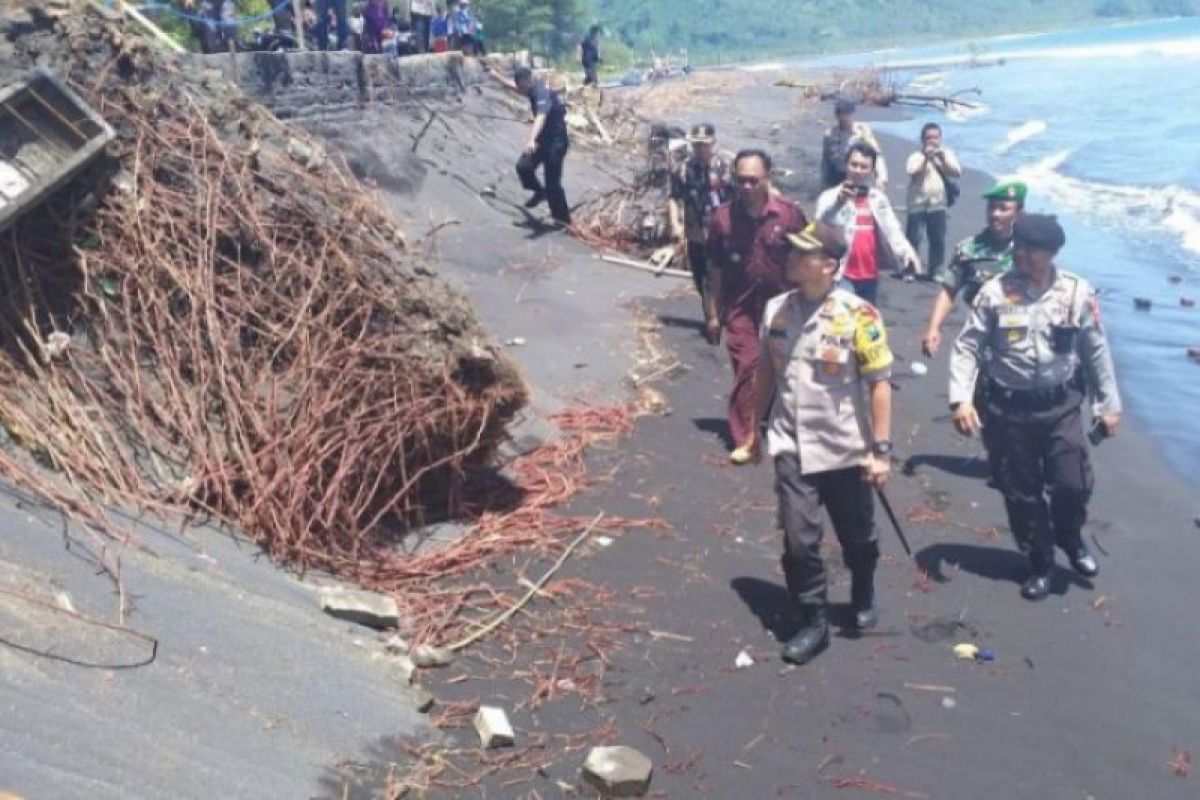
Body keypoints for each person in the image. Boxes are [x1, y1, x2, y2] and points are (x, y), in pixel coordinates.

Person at [948, 214, 1121, 601]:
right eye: (1019, 247)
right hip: (1008, 411)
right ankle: (1040, 562)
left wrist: (1107, 404)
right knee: (1021, 493)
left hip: (1060, 406)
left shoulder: (1077, 293)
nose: (1023, 256)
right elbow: (967, 346)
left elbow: (1095, 350)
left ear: (1053, 253)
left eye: (1033, 250)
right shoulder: (995, 292)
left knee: (1072, 483)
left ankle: (1070, 537)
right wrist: (960, 398)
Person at [748, 222, 894, 665]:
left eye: (802, 253)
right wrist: (755, 427)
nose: (790, 258)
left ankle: (863, 585)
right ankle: (813, 620)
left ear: (829, 265)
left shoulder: (859, 315)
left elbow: (880, 384)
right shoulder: (776, 309)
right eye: (791, 251)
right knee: (799, 538)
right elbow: (766, 372)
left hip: (846, 447)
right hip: (792, 441)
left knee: (857, 536)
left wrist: (881, 451)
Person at [705, 149, 807, 465]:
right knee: (747, 369)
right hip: (741, 309)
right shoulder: (722, 219)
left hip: (782, 308)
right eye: (741, 180)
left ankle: (769, 417)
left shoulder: (789, 216)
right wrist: (712, 315)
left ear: (767, 178)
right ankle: (747, 438)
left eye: (753, 180)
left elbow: (809, 258)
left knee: (780, 371)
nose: (746, 187)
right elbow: (714, 270)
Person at [922, 180, 1025, 358]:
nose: (995, 214)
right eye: (991, 208)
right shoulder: (969, 249)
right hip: (982, 335)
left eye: (1003, 208)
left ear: (1019, 213)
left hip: (1022, 337)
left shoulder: (1030, 250)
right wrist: (934, 328)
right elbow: (948, 290)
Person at [816, 142, 920, 301]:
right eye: (854, 165)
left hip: (869, 275)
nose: (858, 170)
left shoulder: (877, 199)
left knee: (866, 322)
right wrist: (839, 202)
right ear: (846, 165)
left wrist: (907, 254)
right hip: (841, 274)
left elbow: (892, 230)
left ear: (871, 170)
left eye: (864, 167)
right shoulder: (829, 197)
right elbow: (823, 222)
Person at [488, 66, 573, 226]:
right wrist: (497, 77)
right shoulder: (530, 88)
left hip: (556, 142)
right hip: (543, 140)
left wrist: (531, 139)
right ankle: (540, 192)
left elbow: (541, 115)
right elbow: (516, 89)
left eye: (522, 85)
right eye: (519, 85)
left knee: (552, 184)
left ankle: (562, 221)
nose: (520, 88)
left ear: (529, 80)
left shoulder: (541, 92)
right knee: (523, 166)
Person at [668, 122, 732, 312]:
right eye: (696, 144)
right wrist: (675, 224)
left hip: (723, 234)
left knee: (721, 275)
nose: (700, 148)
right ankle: (712, 313)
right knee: (699, 275)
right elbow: (674, 196)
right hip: (695, 232)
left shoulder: (727, 166)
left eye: (704, 144)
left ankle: (718, 316)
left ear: (713, 143)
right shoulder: (683, 168)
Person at [905, 123, 962, 280]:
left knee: (937, 239)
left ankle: (935, 269)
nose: (932, 141)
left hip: (938, 204)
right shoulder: (916, 156)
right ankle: (910, 269)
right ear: (923, 140)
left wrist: (942, 159)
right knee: (913, 239)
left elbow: (956, 172)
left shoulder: (946, 155)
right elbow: (912, 171)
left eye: (935, 137)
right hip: (917, 203)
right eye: (929, 137)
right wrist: (925, 158)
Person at [821, 98, 888, 192]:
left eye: (846, 113)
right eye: (840, 113)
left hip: (857, 174)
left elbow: (876, 154)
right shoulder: (830, 134)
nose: (843, 117)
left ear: (852, 113)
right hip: (836, 177)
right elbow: (825, 161)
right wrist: (823, 183)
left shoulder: (862, 131)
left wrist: (881, 177)